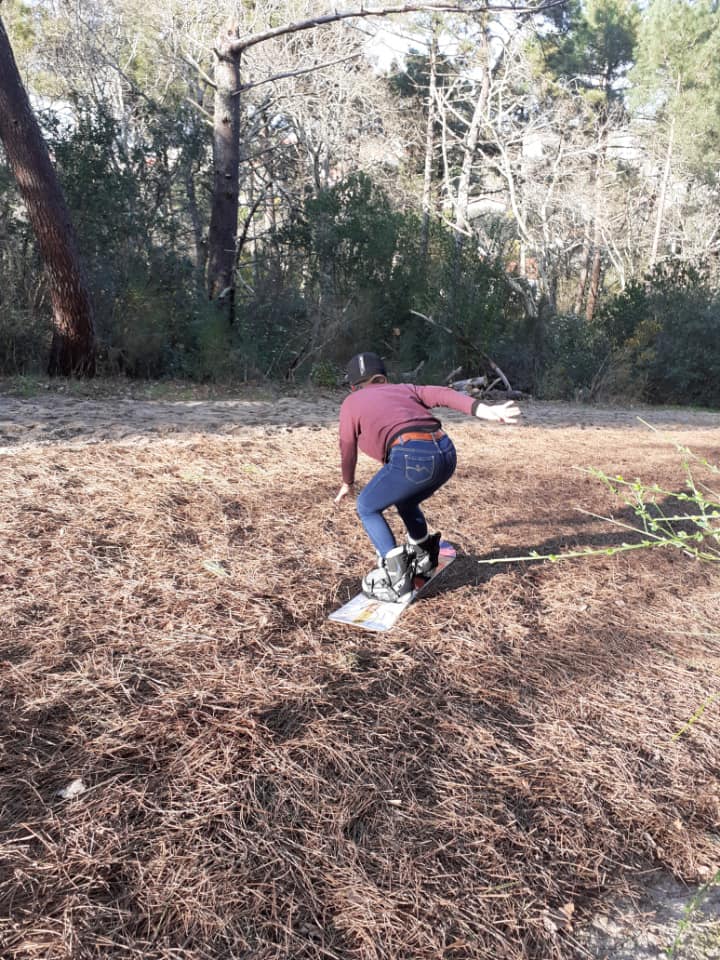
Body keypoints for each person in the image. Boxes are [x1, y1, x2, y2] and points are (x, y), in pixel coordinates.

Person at [334, 351, 521, 602]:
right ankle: (423, 555)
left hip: (413, 456)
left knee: (367, 506)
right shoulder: (405, 389)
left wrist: (348, 481)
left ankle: (397, 579)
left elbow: (347, 444)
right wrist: (483, 410)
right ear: (383, 378)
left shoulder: (352, 401)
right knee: (406, 499)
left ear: (354, 385)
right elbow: (443, 394)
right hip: (446, 453)